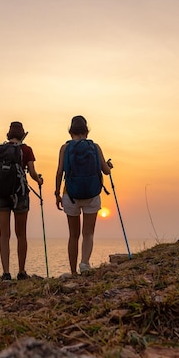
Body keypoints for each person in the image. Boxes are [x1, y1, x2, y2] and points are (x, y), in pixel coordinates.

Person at [55, 115, 112, 275]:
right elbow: (106, 171)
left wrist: (57, 193)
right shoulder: (95, 147)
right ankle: (85, 264)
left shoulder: (65, 148)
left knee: (73, 235)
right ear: (86, 131)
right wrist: (108, 165)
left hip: (70, 194)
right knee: (88, 232)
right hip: (92, 194)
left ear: (70, 131)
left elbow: (60, 172)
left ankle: (73, 272)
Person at [0, 121, 43, 281]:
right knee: (21, 234)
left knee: (4, 235)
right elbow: (32, 173)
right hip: (20, 195)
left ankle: (6, 273)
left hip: (0, 195)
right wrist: (39, 180)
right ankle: (21, 271)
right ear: (22, 134)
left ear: (8, 134)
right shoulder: (26, 150)